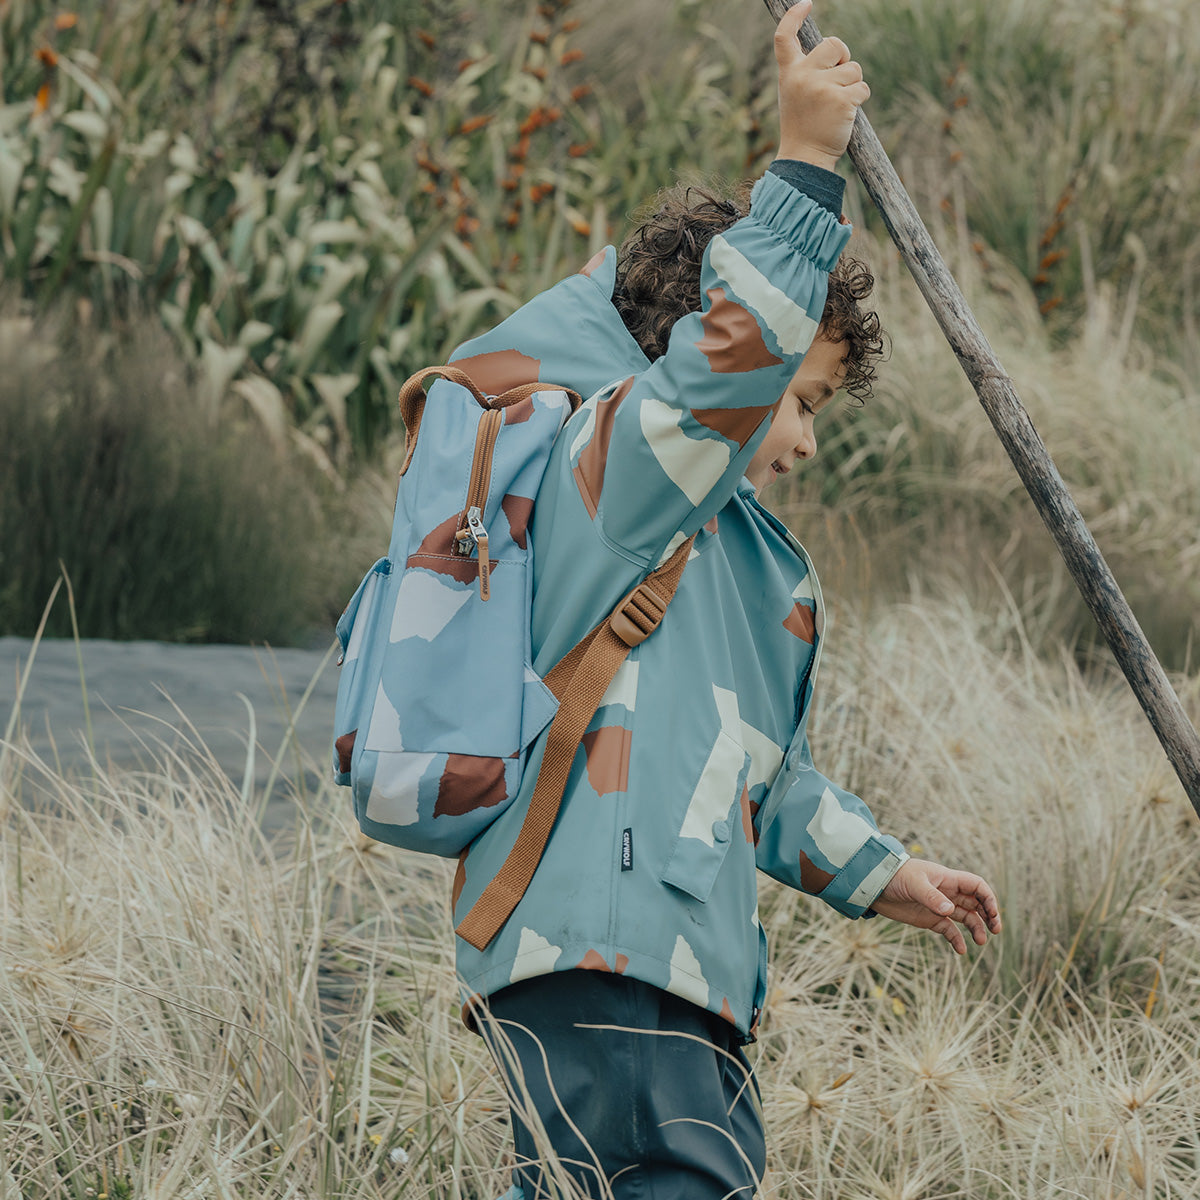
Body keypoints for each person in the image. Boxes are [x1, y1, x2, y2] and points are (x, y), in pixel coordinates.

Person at [443, 3, 1003, 1195]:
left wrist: (882, 871)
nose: (802, 440)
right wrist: (800, 171)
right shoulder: (616, 480)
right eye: (797, 399)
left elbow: (757, 778)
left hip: (655, 964)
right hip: (608, 950)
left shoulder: (724, 563)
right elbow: (715, 387)